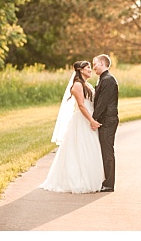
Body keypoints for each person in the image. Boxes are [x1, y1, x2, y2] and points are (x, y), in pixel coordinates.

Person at [40, 61, 105, 193]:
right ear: (80, 70)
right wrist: (91, 120)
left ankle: (92, 178)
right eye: (87, 67)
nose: (90, 69)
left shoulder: (87, 84)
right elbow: (81, 106)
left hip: (89, 118)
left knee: (91, 149)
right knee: (80, 149)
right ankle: (78, 180)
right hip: (82, 120)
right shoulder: (77, 85)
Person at [92, 54, 120, 192]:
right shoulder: (103, 79)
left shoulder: (108, 80)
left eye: (95, 63)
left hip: (108, 120)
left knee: (107, 151)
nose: (93, 67)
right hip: (105, 119)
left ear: (102, 63)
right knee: (103, 151)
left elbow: (102, 103)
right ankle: (105, 180)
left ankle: (109, 184)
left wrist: (93, 119)